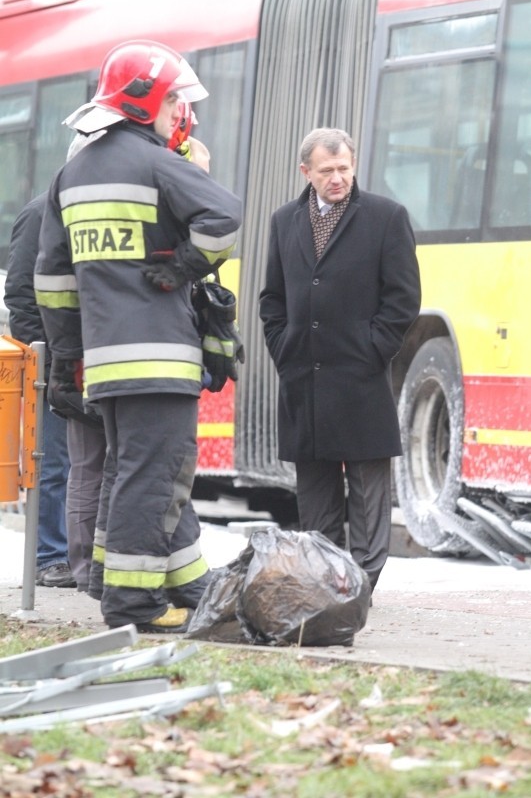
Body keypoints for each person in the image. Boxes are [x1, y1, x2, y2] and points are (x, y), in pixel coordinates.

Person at [35, 40, 242, 633]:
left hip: (103, 363)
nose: (181, 112)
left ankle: (181, 581)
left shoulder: (71, 174)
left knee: (141, 471)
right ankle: (131, 603)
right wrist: (183, 267)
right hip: (161, 358)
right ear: (148, 100)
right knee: (153, 476)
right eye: (176, 99)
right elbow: (224, 219)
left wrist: (68, 359)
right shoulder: (157, 162)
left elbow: (51, 280)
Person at [259, 127, 421, 592]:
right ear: (305, 171)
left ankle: (363, 586)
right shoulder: (284, 221)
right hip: (303, 379)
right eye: (326, 170)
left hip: (361, 377)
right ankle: (325, 585)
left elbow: (403, 299)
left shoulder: (386, 217)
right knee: (315, 494)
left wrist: (373, 349)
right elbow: (272, 299)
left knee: (369, 492)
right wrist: (283, 348)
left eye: (344, 169)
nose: (337, 178)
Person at [4, 196, 74, 588]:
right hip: (54, 362)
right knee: (52, 461)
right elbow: (19, 295)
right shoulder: (40, 212)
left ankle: (69, 555)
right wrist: (43, 360)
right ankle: (49, 556)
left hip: (81, 358)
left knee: (80, 464)